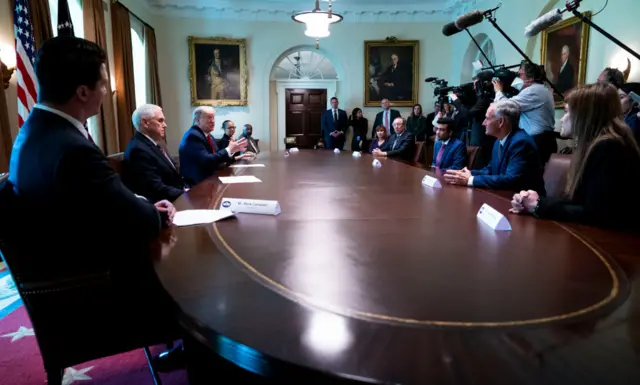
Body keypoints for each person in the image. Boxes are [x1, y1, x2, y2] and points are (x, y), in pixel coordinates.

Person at [3, 36, 183, 371]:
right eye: (103, 84)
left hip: (63, 274)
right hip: (91, 293)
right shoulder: (70, 147)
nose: (106, 91)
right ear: (83, 92)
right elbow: (137, 220)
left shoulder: (35, 132)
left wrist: (141, 204)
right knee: (195, 277)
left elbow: (102, 198)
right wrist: (152, 212)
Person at [510, 82, 640, 230]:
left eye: (567, 112)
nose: (563, 119)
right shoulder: (600, 144)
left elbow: (594, 213)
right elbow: (579, 201)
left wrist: (538, 206)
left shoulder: (609, 148)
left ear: (585, 116)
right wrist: (538, 201)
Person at [444, 99, 545, 194]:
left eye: (487, 118)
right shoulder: (499, 140)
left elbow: (511, 179)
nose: (483, 123)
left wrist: (470, 180)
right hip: (504, 196)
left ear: (500, 122)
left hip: (525, 203)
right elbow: (491, 169)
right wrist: (469, 173)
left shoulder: (521, 142)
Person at [494, 61, 557, 165]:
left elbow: (504, 107)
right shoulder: (543, 90)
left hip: (538, 141)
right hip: (544, 140)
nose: (518, 77)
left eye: (520, 75)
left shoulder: (533, 91)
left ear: (531, 78)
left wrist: (498, 91)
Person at [123, 104, 187, 203]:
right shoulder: (138, 150)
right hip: (163, 204)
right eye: (160, 121)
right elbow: (155, 188)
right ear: (145, 123)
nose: (165, 125)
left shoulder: (153, 143)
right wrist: (187, 195)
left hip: (176, 194)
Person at [178, 106, 248, 186]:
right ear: (197, 121)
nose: (213, 121)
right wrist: (228, 150)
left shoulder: (209, 136)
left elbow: (217, 157)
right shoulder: (193, 136)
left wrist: (232, 151)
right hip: (197, 185)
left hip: (210, 181)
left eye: (213, 118)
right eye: (209, 118)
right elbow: (207, 160)